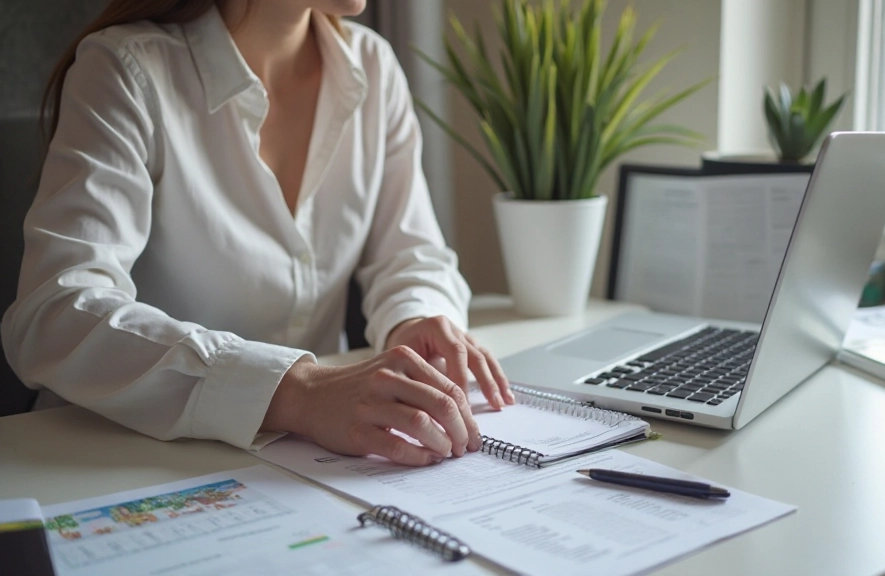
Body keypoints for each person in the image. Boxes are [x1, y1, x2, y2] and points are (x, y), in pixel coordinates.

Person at [1, 0, 514, 467]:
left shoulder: (373, 66)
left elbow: (411, 256)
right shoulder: (125, 70)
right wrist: (298, 392)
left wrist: (414, 318)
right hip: (106, 463)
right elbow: (55, 314)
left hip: (301, 467)